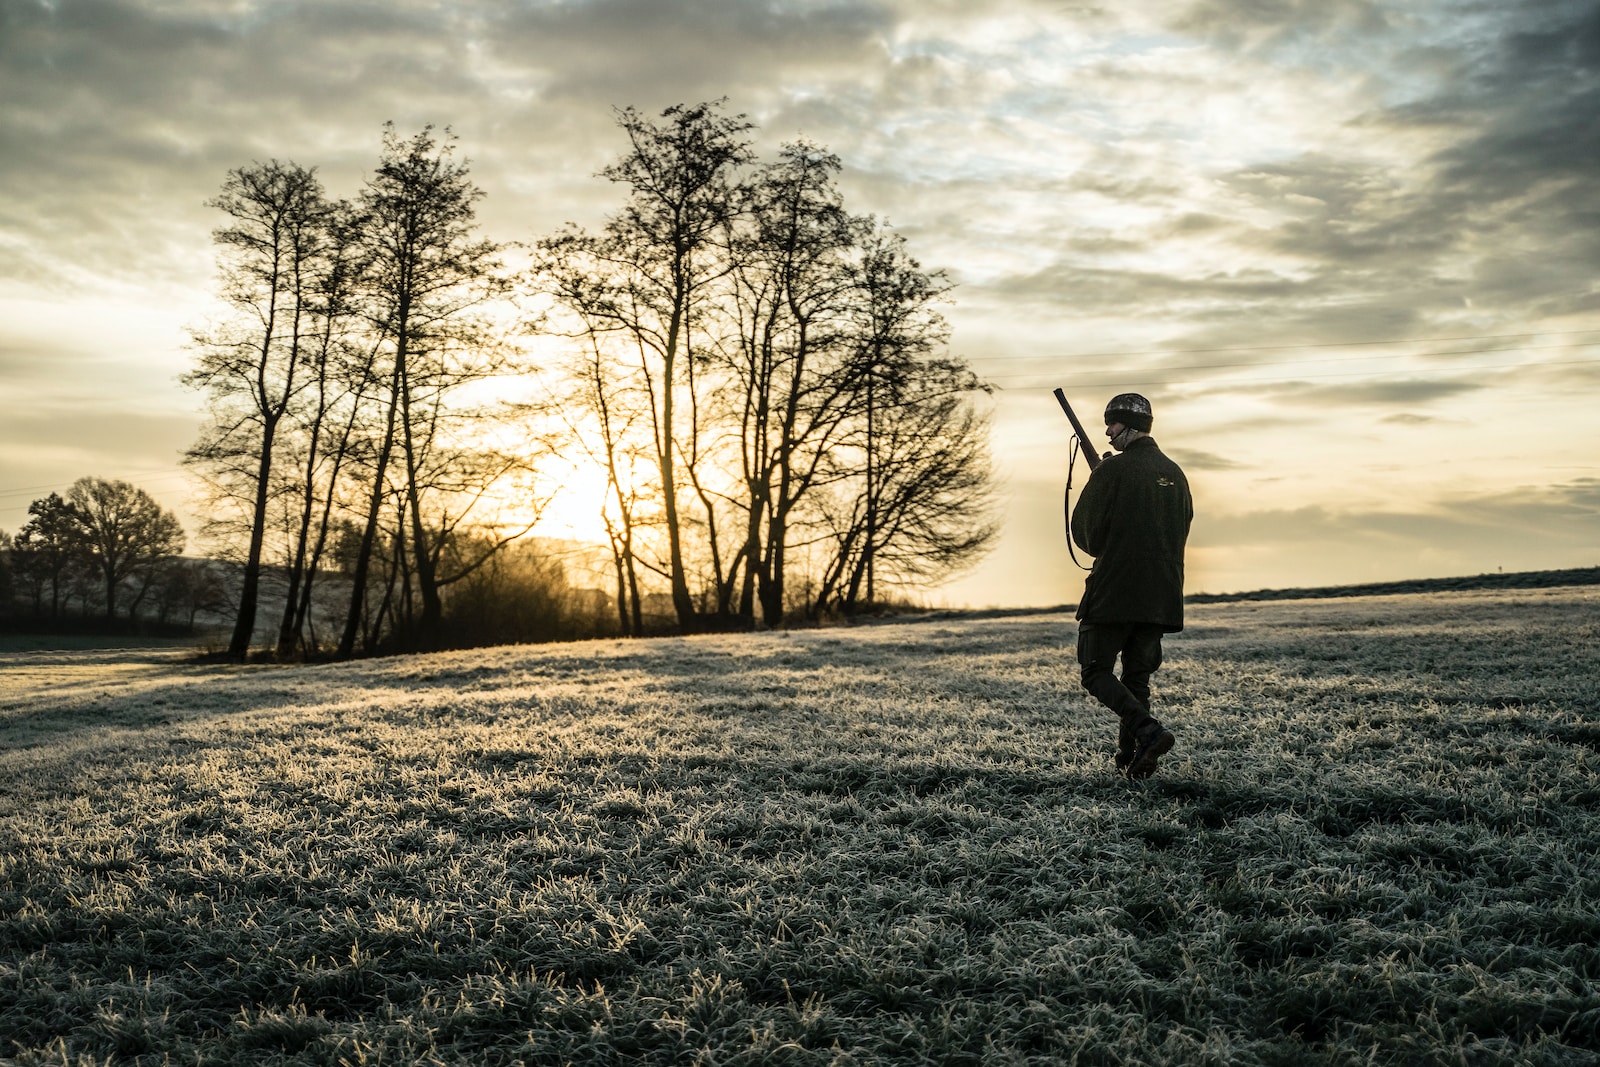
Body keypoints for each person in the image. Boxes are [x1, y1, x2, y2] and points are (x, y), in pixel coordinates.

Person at [1070, 392, 1193, 778]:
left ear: (1129, 426)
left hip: (1115, 590)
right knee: (1136, 678)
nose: (1106, 432)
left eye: (1112, 424)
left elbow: (1087, 537)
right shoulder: (1176, 473)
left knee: (1095, 671)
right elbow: (1181, 528)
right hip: (1162, 594)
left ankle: (1148, 732)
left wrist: (1100, 481)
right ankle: (1131, 758)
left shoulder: (1112, 471)